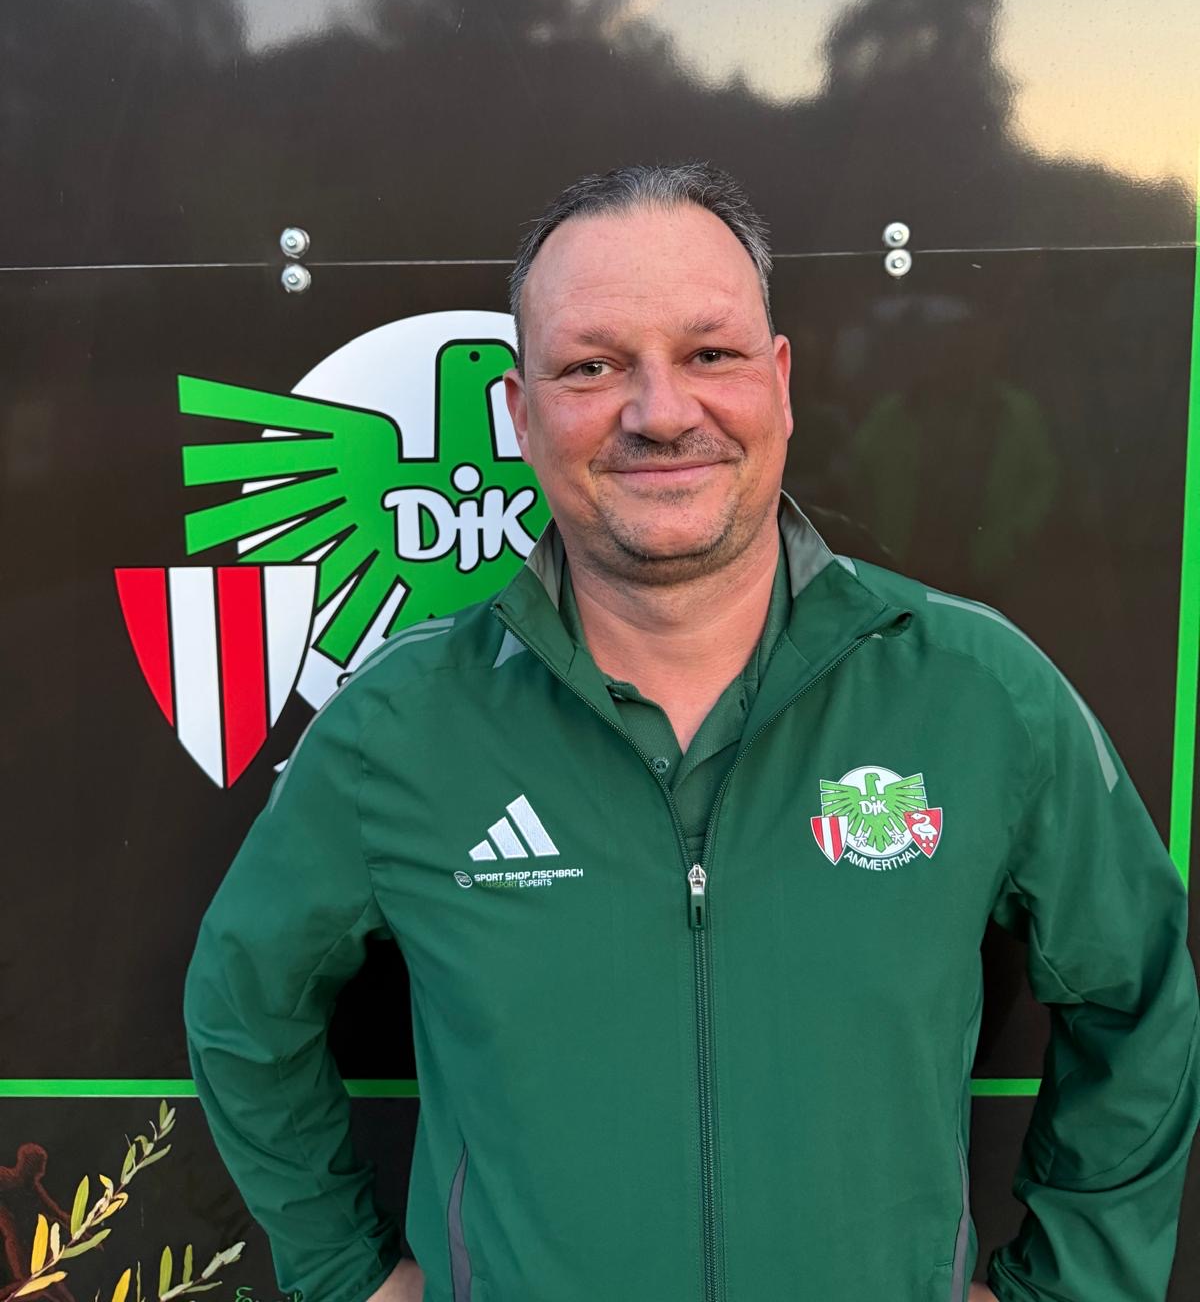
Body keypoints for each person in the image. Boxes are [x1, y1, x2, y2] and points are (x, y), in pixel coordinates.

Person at [183, 162, 1200, 1302]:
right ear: (518, 415)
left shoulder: (976, 691)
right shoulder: (401, 725)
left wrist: (1071, 1289)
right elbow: (242, 1007)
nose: (661, 412)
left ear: (780, 384)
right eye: (592, 366)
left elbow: (1140, 997)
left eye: (710, 354)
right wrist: (345, 1275)